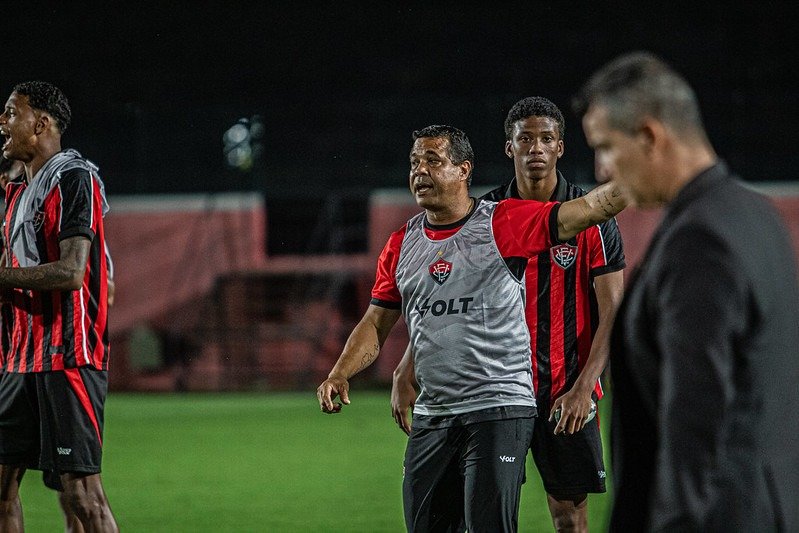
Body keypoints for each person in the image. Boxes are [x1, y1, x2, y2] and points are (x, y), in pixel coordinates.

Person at [317, 124, 627, 532]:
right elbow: (376, 322)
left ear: (463, 170)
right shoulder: (401, 243)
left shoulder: (503, 222)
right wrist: (341, 372)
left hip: (498, 408)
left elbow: (587, 210)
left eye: (433, 161)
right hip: (435, 413)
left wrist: (640, 175)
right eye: (414, 162)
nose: (420, 171)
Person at [573, 51, 799, 532]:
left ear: (650, 136)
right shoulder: (755, 215)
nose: (601, 170)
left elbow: (696, 423)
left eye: (606, 147)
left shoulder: (699, 241)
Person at [0, 81, 118, 532]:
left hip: (66, 355)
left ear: (41, 123)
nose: (3, 122)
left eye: (12, 112)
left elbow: (71, 273)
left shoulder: (74, 178)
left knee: (82, 497)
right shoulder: (17, 193)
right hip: (18, 359)